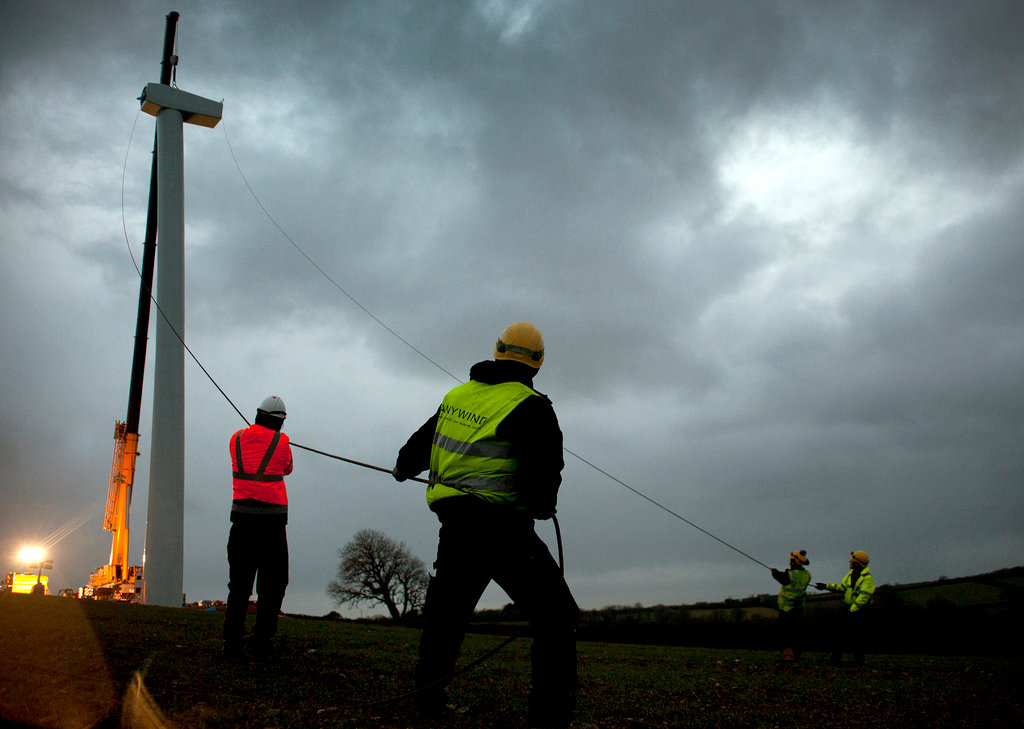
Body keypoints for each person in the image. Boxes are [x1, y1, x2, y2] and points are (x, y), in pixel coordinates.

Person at [393, 322, 579, 728]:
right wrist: (543, 506)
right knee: (557, 618)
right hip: (503, 530)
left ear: (496, 352)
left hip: (456, 526)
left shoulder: (457, 396)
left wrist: (403, 468)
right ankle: (550, 717)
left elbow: (410, 456)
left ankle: (427, 703)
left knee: (446, 617)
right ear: (538, 362)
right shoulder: (532, 406)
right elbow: (542, 487)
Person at [223, 395, 293, 660]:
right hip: (272, 525)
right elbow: (287, 468)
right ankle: (262, 642)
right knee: (273, 585)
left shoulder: (235, 439)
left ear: (257, 414)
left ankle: (231, 643)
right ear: (281, 422)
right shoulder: (282, 442)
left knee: (239, 586)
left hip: (241, 522)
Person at [815, 550, 875, 665]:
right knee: (842, 634)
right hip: (850, 609)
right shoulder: (850, 574)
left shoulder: (867, 579)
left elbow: (864, 597)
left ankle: (858, 660)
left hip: (861, 611)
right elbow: (842, 587)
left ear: (857, 563)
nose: (849, 563)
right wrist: (825, 586)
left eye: (851, 561)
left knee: (856, 636)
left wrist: (853, 610)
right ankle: (836, 659)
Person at [770, 549, 811, 662]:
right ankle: (795, 655)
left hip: (787, 610)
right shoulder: (807, 575)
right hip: (798, 609)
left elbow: (781, 578)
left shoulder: (790, 575)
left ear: (794, 562)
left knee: (784, 634)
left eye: (791, 561)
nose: (789, 563)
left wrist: (774, 572)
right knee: (795, 633)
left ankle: (788, 655)